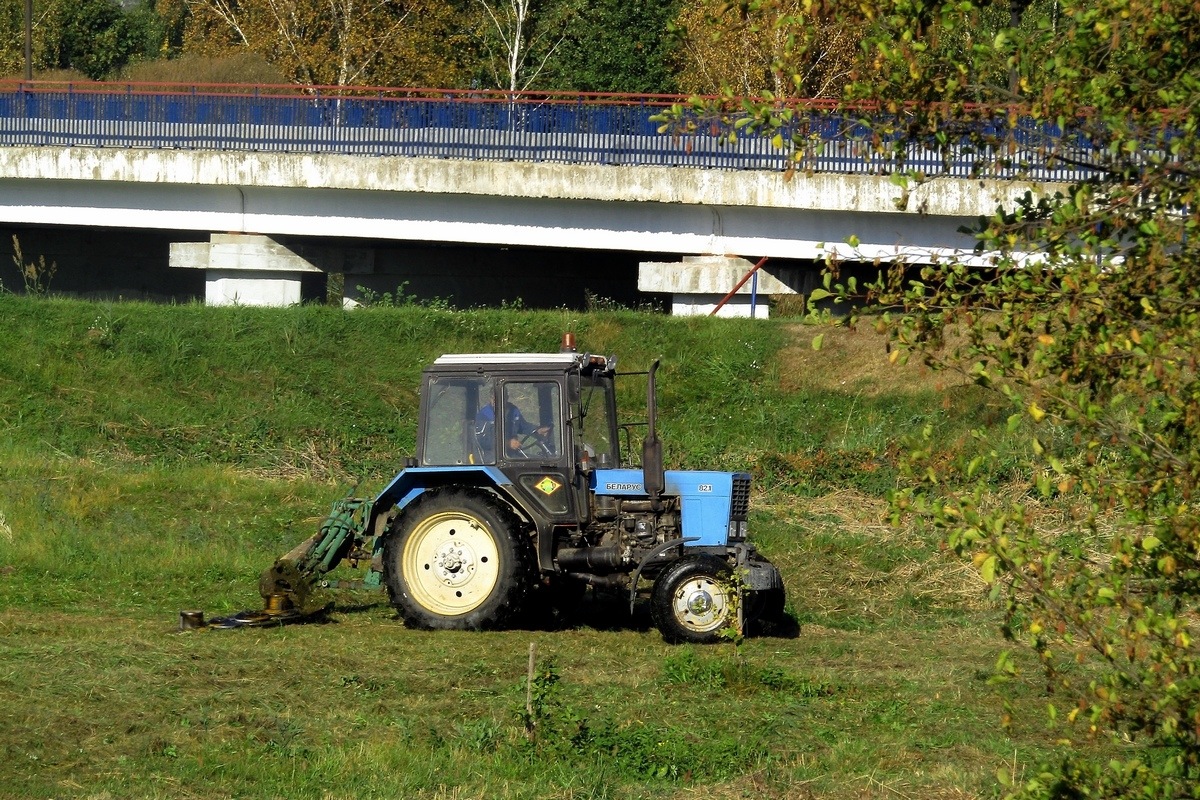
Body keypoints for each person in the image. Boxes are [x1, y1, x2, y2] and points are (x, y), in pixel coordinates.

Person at [475, 402, 550, 457]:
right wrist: (507, 443)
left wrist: (536, 430)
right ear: (492, 398)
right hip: (491, 457)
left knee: (538, 461)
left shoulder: (513, 410)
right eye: (493, 398)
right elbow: (481, 441)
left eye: (505, 396)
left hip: (511, 455)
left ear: (506, 397)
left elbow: (521, 426)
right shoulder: (484, 415)